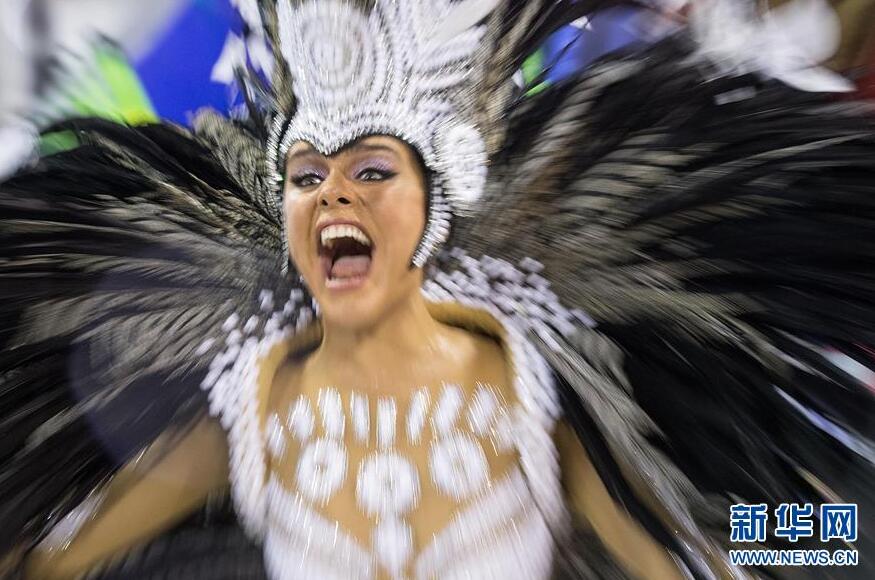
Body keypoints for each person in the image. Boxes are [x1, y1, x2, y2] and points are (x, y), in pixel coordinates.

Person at [1, 0, 873, 578]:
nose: (334, 194)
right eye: (308, 178)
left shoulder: (526, 391)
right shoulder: (253, 405)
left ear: (435, 210)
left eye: (372, 172)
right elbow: (53, 562)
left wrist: (832, 539)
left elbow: (697, 543)